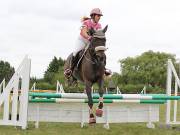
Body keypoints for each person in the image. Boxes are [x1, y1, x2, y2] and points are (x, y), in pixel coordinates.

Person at [64, 8, 111, 77]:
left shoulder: (99, 25)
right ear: (93, 16)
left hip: (91, 42)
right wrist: (89, 37)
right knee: (76, 52)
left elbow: (99, 35)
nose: (99, 18)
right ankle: (70, 69)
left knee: (100, 53)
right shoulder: (86, 22)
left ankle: (103, 69)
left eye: (100, 16)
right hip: (82, 40)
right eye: (98, 16)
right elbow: (83, 32)